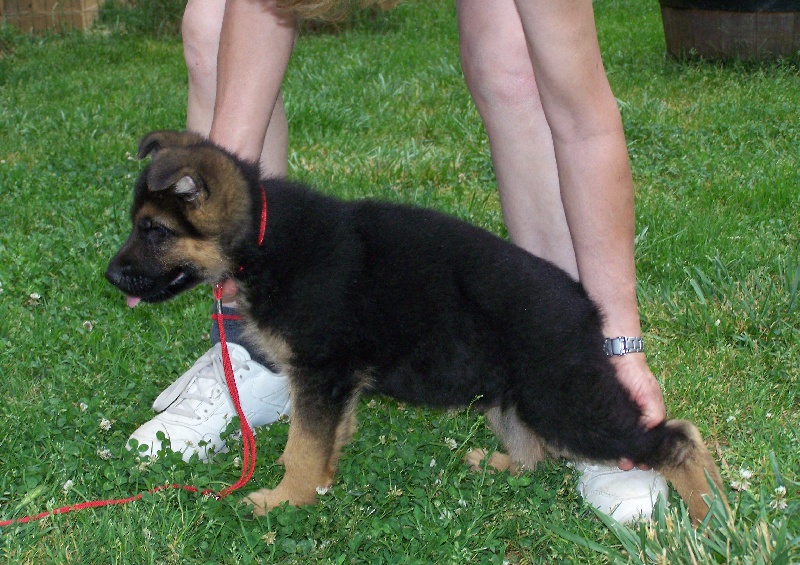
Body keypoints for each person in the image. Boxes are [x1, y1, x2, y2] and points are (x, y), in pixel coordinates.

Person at [127, 0, 668, 523]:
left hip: (550, 323)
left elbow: (586, 123)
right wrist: (231, 232)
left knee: (511, 64)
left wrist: (619, 341)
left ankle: (572, 373)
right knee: (208, 30)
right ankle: (257, 359)